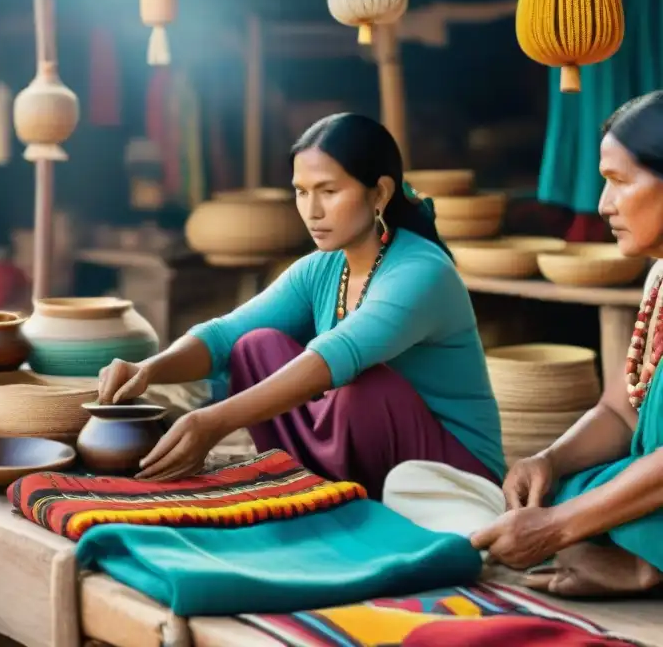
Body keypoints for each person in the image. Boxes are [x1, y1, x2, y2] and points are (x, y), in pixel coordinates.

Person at [96, 113, 505, 493]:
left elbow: (333, 358)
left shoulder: (421, 272)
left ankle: (343, 500)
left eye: (328, 191)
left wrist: (212, 421)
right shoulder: (323, 267)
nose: (311, 211)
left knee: (361, 388)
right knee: (254, 348)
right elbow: (224, 335)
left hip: (455, 475)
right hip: (369, 448)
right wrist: (148, 370)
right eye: (301, 192)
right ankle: (308, 485)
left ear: (379, 192)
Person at [473, 92, 663, 598]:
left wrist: (557, 527)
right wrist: (549, 461)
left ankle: (645, 568)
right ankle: (633, 554)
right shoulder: (659, 277)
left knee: (572, 515)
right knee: (568, 490)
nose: (603, 205)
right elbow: (623, 415)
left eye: (619, 182)